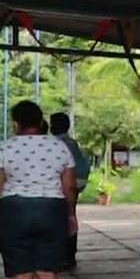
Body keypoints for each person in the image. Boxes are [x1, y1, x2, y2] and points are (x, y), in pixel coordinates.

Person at [0, 101, 77, 279]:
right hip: (51, 209)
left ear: (16, 123)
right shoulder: (59, 147)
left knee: (21, 273)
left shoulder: (5, 147)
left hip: (14, 209)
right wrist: (71, 214)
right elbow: (70, 186)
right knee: (48, 272)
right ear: (40, 120)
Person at [50, 112, 90, 270]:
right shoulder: (71, 142)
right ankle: (69, 255)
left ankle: (64, 256)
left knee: (63, 219)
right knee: (70, 216)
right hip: (76, 182)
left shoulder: (57, 144)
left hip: (66, 183)